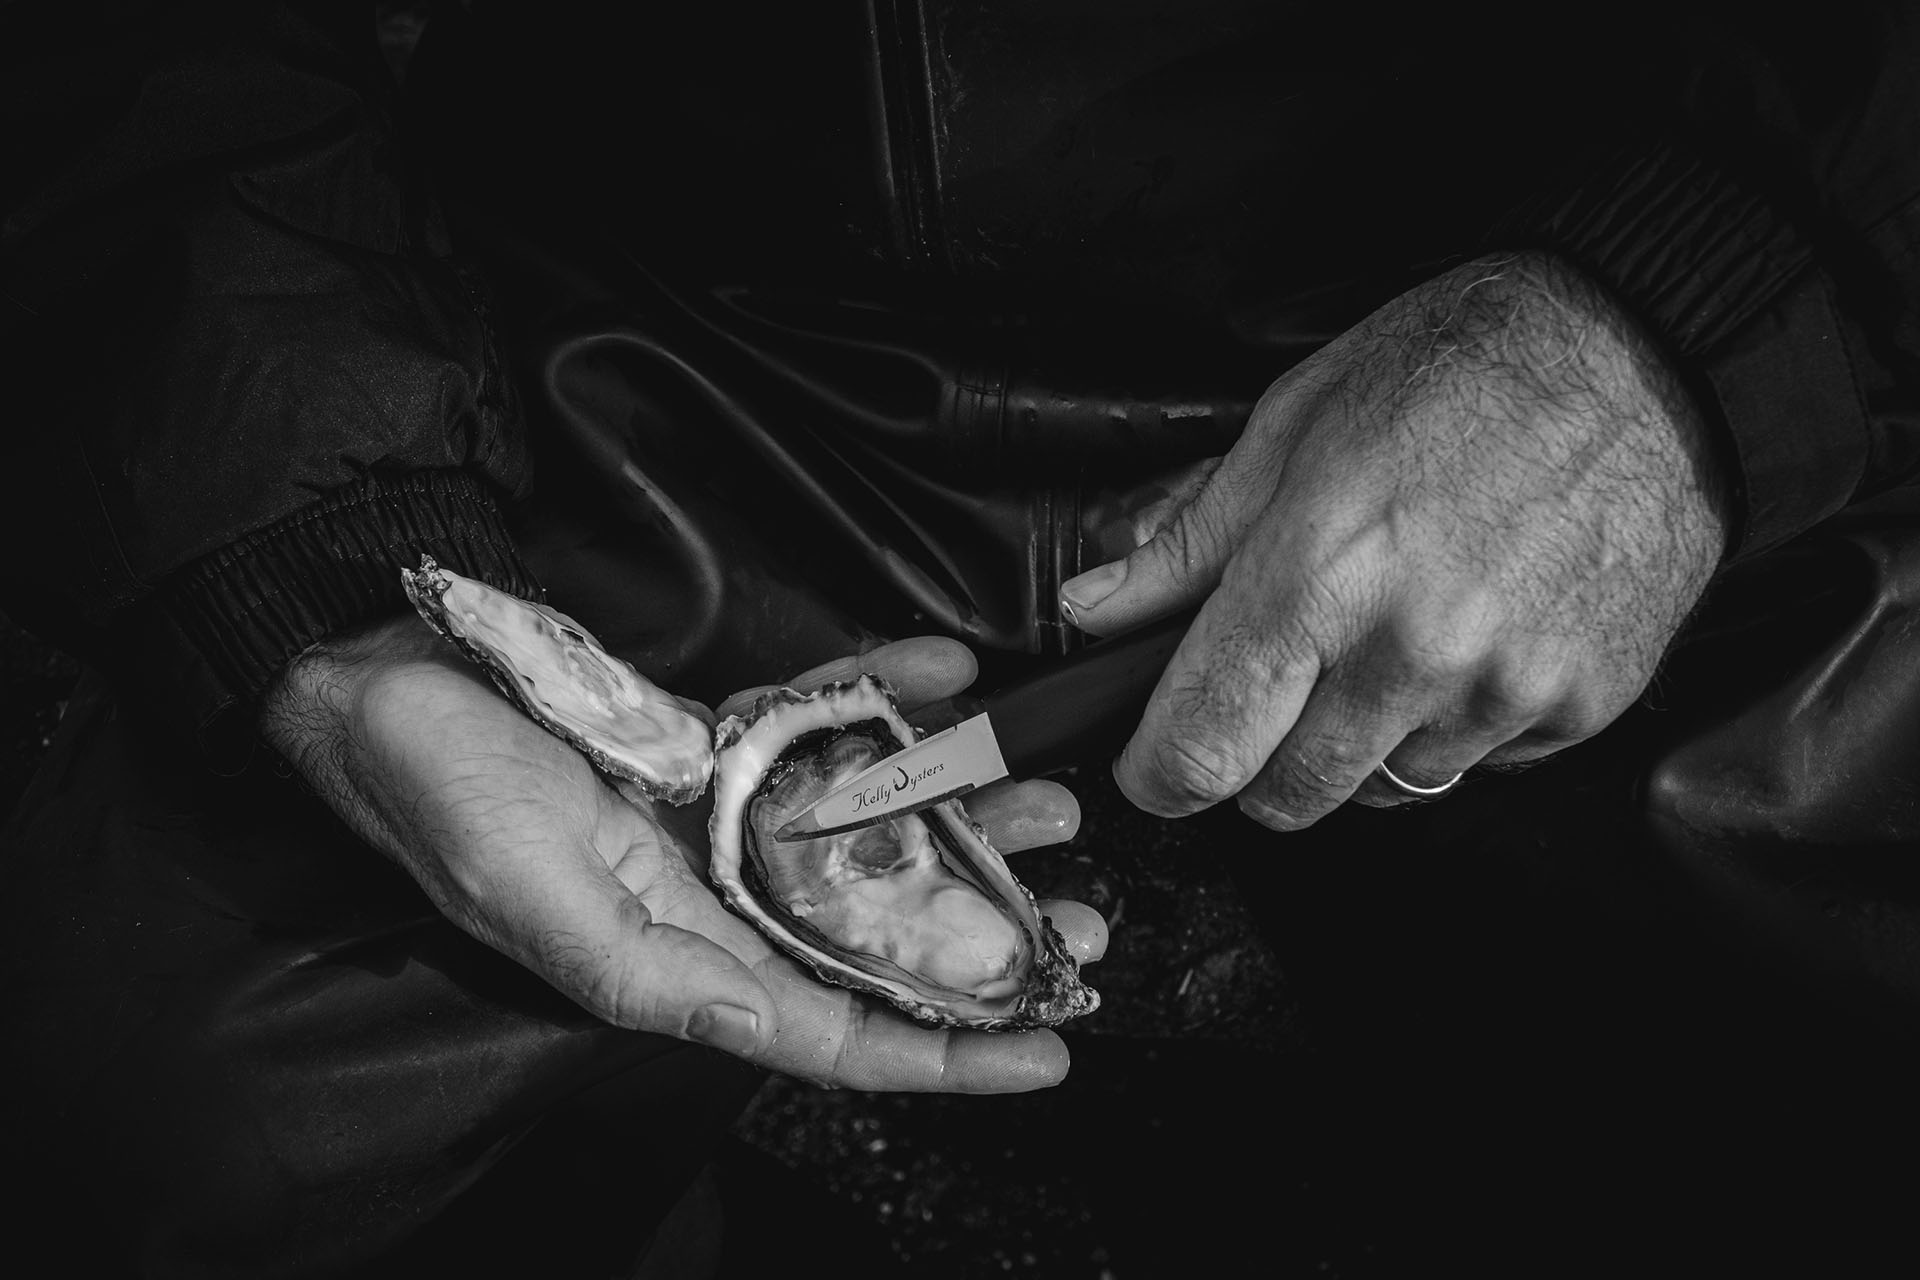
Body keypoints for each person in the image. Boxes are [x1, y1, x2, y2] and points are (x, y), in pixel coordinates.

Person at [4, 0, 1918, 1273]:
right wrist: (317, 584)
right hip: (682, 340)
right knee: (144, 1120)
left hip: (1581, 301)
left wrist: (1700, 328)